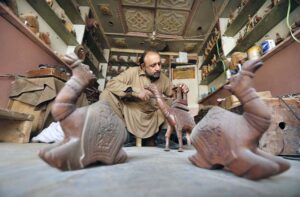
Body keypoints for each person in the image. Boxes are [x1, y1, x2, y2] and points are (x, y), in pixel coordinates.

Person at [100, 50, 189, 145]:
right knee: (106, 95)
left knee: (173, 103)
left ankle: (163, 135)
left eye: (159, 64)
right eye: (153, 65)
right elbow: (111, 84)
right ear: (142, 66)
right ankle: (125, 134)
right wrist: (136, 92)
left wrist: (180, 88)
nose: (158, 68)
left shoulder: (162, 77)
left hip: (153, 116)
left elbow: (173, 94)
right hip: (131, 112)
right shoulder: (132, 72)